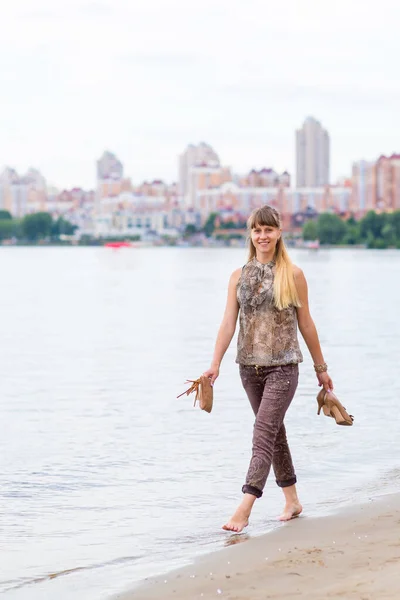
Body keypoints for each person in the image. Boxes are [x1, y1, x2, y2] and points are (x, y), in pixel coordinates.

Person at [203, 205, 333, 533]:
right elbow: (228, 323)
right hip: (248, 368)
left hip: (284, 368)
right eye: (257, 230)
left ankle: (245, 505)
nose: (263, 236)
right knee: (274, 434)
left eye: (269, 230)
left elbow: (306, 323)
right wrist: (214, 364)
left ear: (279, 233)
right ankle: (292, 500)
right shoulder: (238, 276)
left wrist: (321, 368)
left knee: (262, 434)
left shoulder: (294, 275)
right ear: (250, 234)